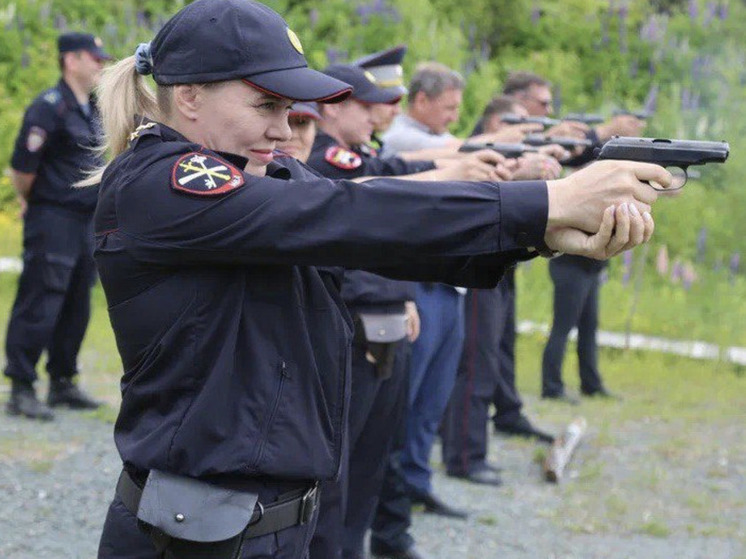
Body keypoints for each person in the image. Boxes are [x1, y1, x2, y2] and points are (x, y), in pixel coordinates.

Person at [88, 1, 667, 557]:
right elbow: (349, 218)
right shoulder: (164, 182)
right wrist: (547, 199)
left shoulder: (262, 174)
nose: (285, 131)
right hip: (199, 538)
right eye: (265, 106)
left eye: (289, 112)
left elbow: (384, 232)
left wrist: (542, 233)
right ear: (188, 96)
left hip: (267, 522)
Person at [441, 96, 560, 487]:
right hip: (477, 258)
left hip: (497, 258)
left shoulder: (486, 150)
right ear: (497, 122)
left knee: (491, 355)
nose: (529, 128)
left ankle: (472, 448)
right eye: (519, 123)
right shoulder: (475, 152)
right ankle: (465, 455)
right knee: (477, 361)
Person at [4, 32, 110, 421]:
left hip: (86, 220)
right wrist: (35, 202)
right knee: (41, 299)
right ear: (71, 60)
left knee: (77, 302)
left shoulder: (93, 108)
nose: (101, 64)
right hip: (53, 217)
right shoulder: (49, 107)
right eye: (94, 58)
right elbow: (22, 170)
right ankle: (21, 385)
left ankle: (62, 382)